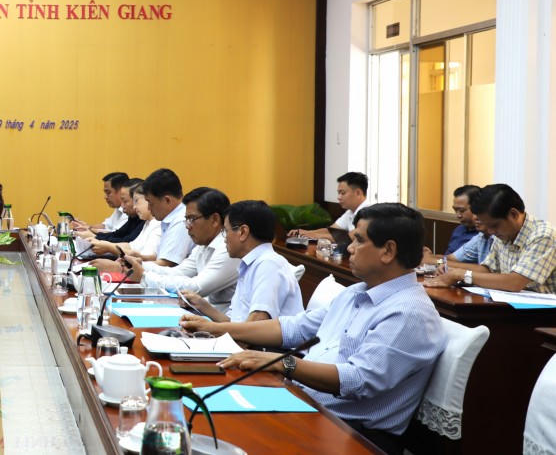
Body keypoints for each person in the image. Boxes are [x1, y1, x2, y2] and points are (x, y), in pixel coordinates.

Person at [184, 203, 445, 453]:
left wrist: (284, 364)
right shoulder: (356, 292)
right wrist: (219, 329)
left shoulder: (409, 312)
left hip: (348, 432)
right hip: (306, 403)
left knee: (225, 435)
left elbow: (358, 380)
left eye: (358, 240)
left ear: (388, 251)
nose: (349, 248)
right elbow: (295, 328)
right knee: (199, 412)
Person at [183, 200, 302, 323]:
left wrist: (208, 327)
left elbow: (255, 325)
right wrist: (202, 305)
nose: (224, 239)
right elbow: (235, 323)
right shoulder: (249, 265)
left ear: (243, 232)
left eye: (226, 231)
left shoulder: (269, 265)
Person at [425, 183, 556, 293]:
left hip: (543, 312)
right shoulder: (503, 233)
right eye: (487, 226)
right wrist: (452, 271)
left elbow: (515, 282)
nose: (491, 232)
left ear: (514, 214)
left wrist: (461, 274)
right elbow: (487, 269)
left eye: (494, 225)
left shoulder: (543, 235)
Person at [125, 187, 238, 312]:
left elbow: (196, 287)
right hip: (201, 313)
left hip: (220, 320)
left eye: (192, 219)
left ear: (215, 220)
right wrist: (140, 265)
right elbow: (179, 272)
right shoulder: (203, 245)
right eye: (186, 220)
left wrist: (144, 276)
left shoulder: (227, 248)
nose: (188, 226)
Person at [88, 181, 161, 272]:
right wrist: (105, 244)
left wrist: (110, 247)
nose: (134, 207)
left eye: (136, 201)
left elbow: (145, 259)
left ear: (149, 200)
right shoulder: (147, 222)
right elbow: (130, 245)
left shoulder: (157, 224)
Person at [289, 172, 373, 240]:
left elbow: (350, 238)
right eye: (338, 193)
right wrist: (306, 232)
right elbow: (332, 230)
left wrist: (314, 235)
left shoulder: (370, 213)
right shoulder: (350, 212)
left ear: (358, 193)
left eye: (342, 193)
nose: (338, 197)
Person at [76, 178, 145, 245]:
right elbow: (117, 234)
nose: (122, 206)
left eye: (125, 201)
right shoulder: (134, 217)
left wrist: (94, 237)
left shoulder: (144, 219)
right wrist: (92, 233)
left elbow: (126, 241)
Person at [443, 185, 482, 255]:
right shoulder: (459, 229)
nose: (458, 215)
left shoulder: (484, 235)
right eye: (455, 210)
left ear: (476, 207)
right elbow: (446, 257)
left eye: (462, 210)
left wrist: (433, 258)